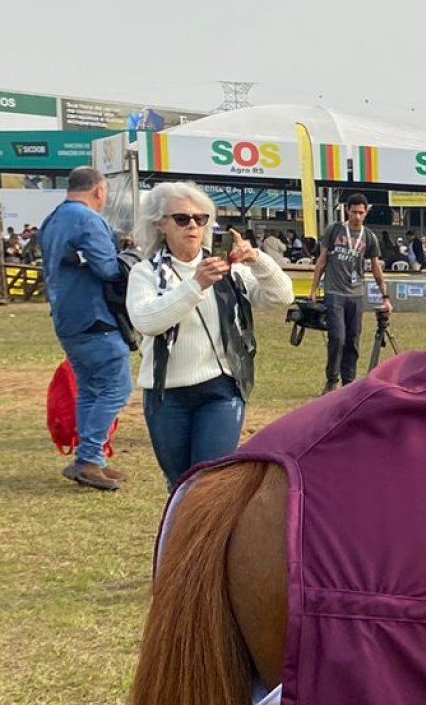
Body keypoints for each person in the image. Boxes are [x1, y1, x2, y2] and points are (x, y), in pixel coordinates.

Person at [126, 182, 293, 484]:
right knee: (179, 484)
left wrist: (257, 258)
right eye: (181, 218)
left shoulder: (228, 269)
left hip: (221, 388)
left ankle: (211, 533)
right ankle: (182, 532)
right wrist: (196, 285)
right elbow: (147, 321)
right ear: (161, 224)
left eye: (201, 219)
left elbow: (283, 296)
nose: (193, 225)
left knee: (209, 482)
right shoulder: (146, 273)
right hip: (167, 392)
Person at [39, 166, 132, 492]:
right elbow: (107, 268)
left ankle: (89, 459)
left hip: (67, 317)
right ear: (99, 190)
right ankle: (90, 459)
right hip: (95, 318)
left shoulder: (52, 220)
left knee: (92, 389)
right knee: (115, 388)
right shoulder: (88, 219)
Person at [309, 192, 391, 393]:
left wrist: (385, 296)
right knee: (337, 337)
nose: (357, 216)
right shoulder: (335, 230)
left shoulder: (369, 237)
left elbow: (375, 267)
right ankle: (331, 379)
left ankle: (349, 382)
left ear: (366, 213)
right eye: (354, 212)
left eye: (361, 213)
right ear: (347, 211)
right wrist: (314, 288)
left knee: (353, 338)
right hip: (334, 292)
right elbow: (322, 260)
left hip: (356, 294)